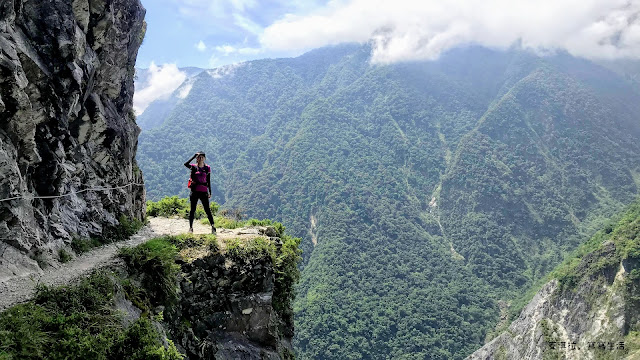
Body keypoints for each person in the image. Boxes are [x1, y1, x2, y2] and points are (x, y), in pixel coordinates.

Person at [184, 152, 216, 234]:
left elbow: (208, 180)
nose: (201, 158)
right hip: (194, 191)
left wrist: (210, 192)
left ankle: (213, 226)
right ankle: (191, 228)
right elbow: (186, 164)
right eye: (199, 157)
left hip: (204, 191)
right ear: (197, 158)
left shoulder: (207, 168)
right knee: (192, 210)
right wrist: (193, 156)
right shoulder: (194, 167)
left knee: (207, 210)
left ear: (204, 158)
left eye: (202, 157)